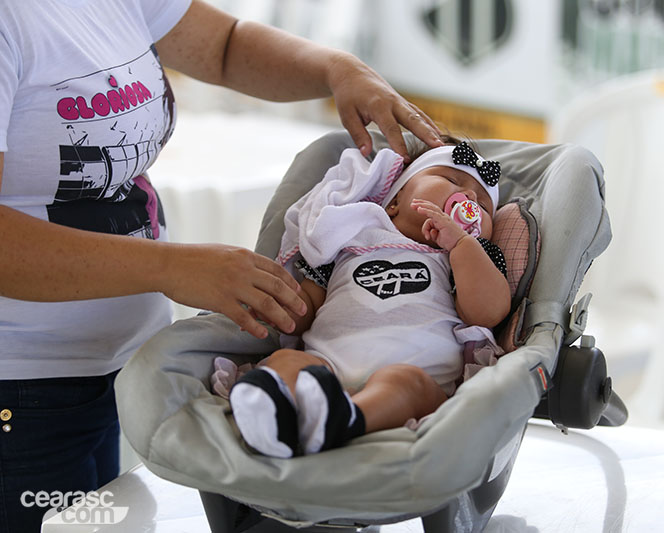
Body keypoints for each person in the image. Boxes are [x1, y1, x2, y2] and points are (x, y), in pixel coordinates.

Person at [0, 0, 443, 530]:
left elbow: (225, 45)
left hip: (114, 368)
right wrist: (172, 268)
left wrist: (337, 68)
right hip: (22, 390)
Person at [218, 139, 511, 458]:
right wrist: (278, 302)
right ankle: (274, 411)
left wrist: (463, 246)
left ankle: (347, 418)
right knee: (287, 362)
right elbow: (305, 310)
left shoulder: (464, 259)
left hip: (418, 374)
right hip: (327, 365)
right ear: (395, 201)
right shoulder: (350, 240)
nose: (469, 197)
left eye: (483, 204)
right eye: (452, 180)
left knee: (404, 382)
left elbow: (487, 313)